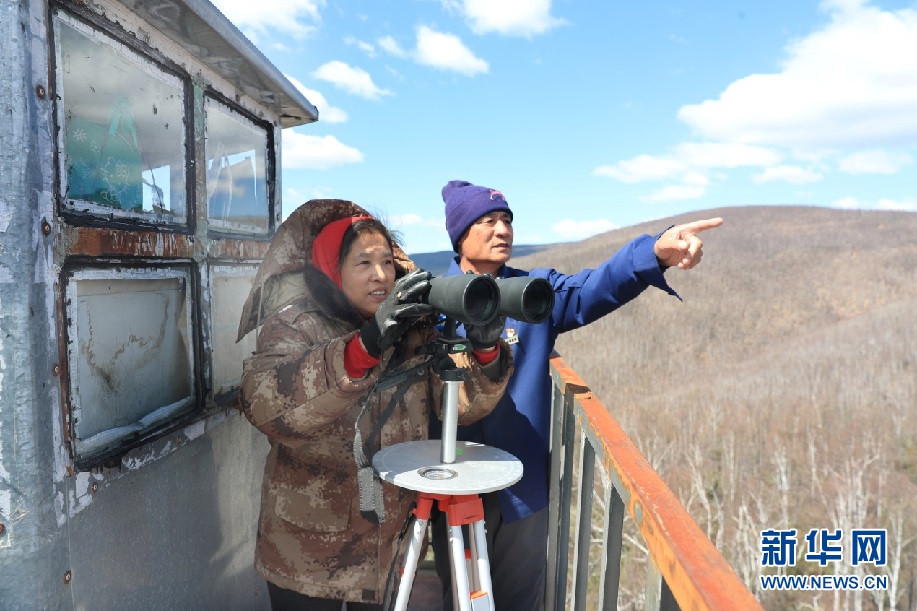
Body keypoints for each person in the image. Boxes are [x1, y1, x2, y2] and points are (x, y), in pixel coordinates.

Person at [429, 180, 723, 611]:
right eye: (487, 221)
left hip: (522, 487)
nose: (503, 230)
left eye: (507, 220)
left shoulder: (532, 293)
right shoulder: (433, 303)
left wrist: (654, 252)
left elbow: (592, 288)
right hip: (455, 485)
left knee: (520, 600)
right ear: (460, 235)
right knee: (461, 599)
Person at [235, 199, 514, 611]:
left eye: (386, 262)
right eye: (363, 263)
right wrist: (360, 349)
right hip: (309, 552)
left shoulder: (413, 328)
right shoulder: (297, 324)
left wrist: (485, 352)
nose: (381, 275)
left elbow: (463, 408)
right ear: (331, 271)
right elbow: (266, 407)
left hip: (389, 548)